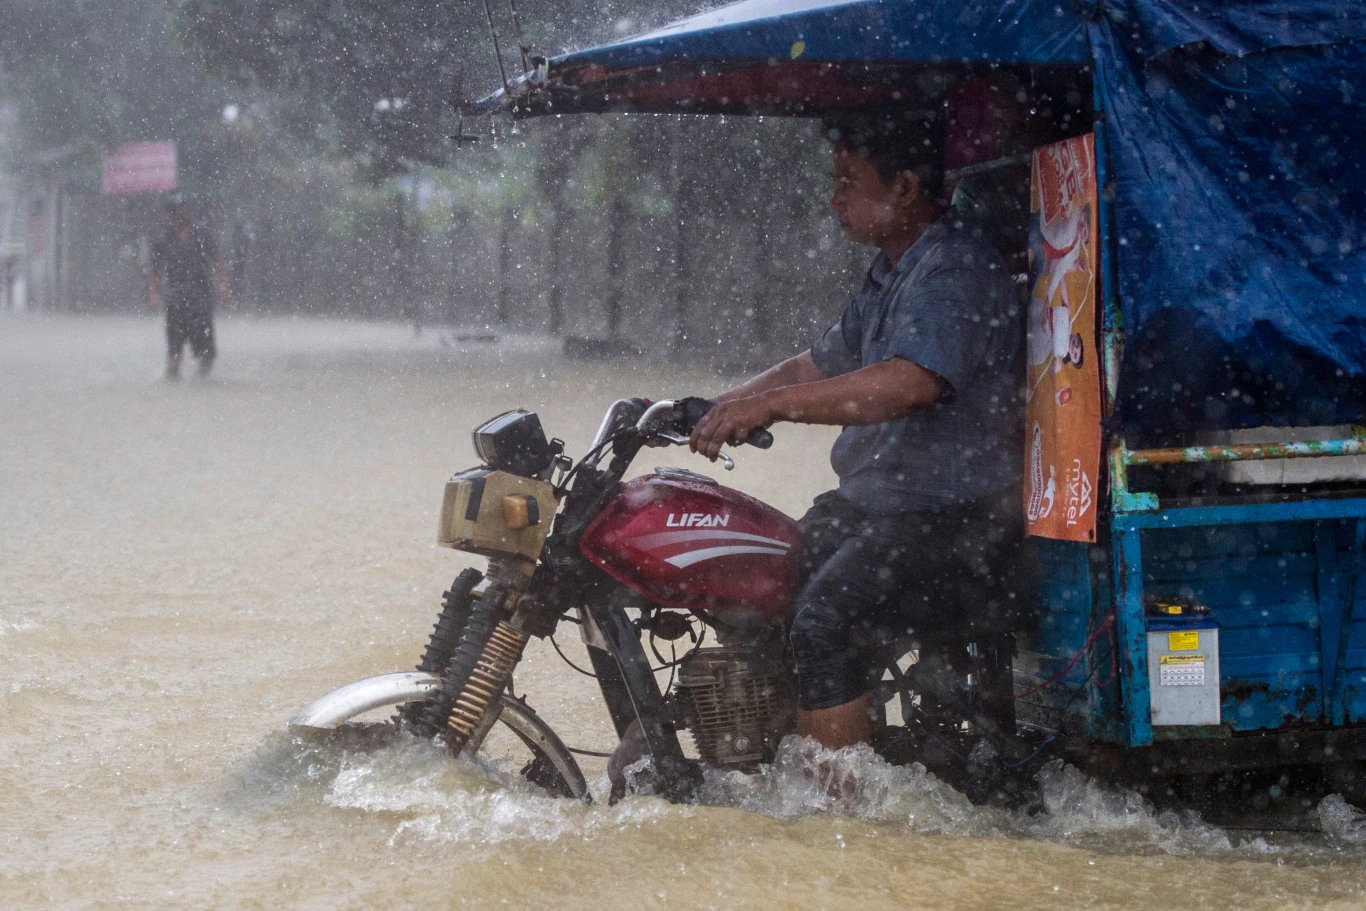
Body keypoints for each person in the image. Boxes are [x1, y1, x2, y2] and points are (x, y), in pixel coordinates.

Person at [689, 110, 1024, 750]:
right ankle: (770, 759)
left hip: (953, 518)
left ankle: (842, 820)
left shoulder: (953, 271)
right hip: (877, 506)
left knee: (823, 623)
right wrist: (718, 406)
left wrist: (776, 407)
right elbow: (817, 363)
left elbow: (910, 383)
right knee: (762, 589)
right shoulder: (894, 270)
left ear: (903, 188)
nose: (834, 199)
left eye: (848, 182)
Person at [148, 197, 228, 378]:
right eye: (173, 211)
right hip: (175, 300)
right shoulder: (163, 238)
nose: (178, 214)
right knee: (174, 354)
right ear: (168, 214)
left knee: (208, 354)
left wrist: (223, 283)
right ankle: (172, 388)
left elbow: (217, 261)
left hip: (201, 298)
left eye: (181, 209)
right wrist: (153, 293)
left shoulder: (202, 233)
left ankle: (199, 383)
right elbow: (156, 271)